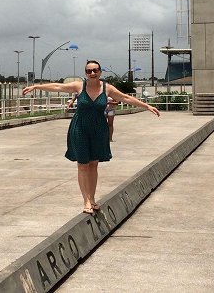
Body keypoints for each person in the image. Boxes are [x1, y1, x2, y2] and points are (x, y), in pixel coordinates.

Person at [22, 60, 160, 215]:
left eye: (95, 70)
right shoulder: (79, 86)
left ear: (100, 72)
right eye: (89, 71)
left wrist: (147, 106)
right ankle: (86, 201)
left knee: (94, 164)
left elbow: (125, 98)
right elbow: (58, 87)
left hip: (99, 129)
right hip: (80, 128)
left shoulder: (107, 88)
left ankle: (92, 199)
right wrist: (36, 86)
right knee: (82, 164)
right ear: (85, 73)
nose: (92, 73)